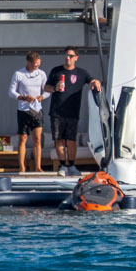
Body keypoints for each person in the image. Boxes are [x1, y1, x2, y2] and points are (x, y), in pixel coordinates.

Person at [46, 47, 102, 175]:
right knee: (59, 140)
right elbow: (46, 87)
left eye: (70, 56)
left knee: (71, 141)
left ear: (76, 57)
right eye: (66, 55)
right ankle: (62, 166)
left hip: (72, 112)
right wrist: (55, 87)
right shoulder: (56, 71)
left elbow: (91, 80)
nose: (67, 58)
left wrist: (96, 82)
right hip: (57, 112)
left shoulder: (81, 73)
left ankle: (71, 165)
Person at [9, 51, 48, 173]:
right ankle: (22, 167)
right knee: (23, 138)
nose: (37, 67)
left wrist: (42, 96)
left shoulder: (41, 74)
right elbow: (11, 92)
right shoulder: (19, 74)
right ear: (28, 62)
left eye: (38, 64)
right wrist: (23, 97)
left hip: (37, 109)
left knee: (37, 139)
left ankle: (38, 167)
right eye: (35, 64)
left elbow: (47, 90)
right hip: (24, 110)